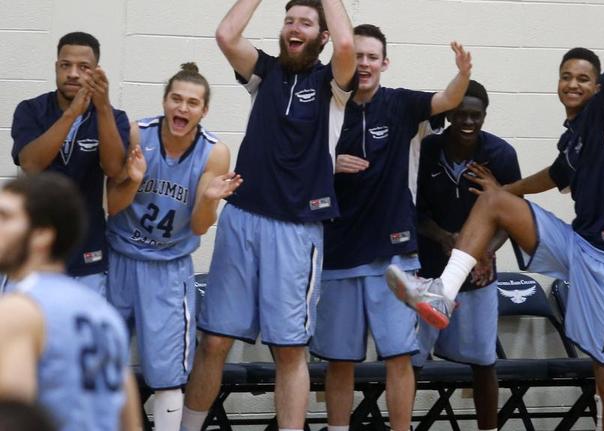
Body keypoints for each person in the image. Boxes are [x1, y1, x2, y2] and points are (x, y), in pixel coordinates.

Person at [386, 1, 604, 429]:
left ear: (597, 86)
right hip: (579, 244)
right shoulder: (573, 137)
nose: (573, 83)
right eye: (566, 76)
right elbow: (552, 176)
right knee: (492, 202)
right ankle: (443, 292)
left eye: (584, 78)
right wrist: (502, 191)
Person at [182, 1, 356, 430]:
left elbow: (349, 42)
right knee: (215, 341)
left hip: (296, 231)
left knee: (290, 349)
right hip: (242, 218)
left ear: (322, 36)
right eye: (289, 20)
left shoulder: (332, 84)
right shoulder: (266, 72)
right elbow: (226, 35)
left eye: (306, 23)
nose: (294, 27)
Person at [308, 23, 470, 431]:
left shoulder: (400, 104)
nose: (363, 63)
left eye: (371, 57)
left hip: (393, 252)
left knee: (399, 356)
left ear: (384, 63)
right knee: (340, 361)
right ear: (345, 60)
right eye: (356, 55)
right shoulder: (323, 108)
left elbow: (449, 98)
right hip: (338, 251)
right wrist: (330, 165)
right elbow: (293, 166)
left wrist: (463, 72)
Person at [106, 63, 240, 431]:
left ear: (204, 110)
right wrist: (133, 180)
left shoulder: (214, 153)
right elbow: (112, 206)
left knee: (167, 376)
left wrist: (210, 200)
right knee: (100, 364)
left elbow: (199, 224)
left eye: (192, 103)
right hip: (119, 259)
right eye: (176, 99)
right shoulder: (136, 133)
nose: (183, 108)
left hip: (168, 268)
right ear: (165, 101)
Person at [413, 80, 520, 431]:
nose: (468, 122)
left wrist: (485, 250)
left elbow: (514, 216)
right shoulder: (426, 150)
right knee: (409, 359)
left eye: (476, 115)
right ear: (450, 113)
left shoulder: (501, 155)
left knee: (484, 361)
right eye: (461, 114)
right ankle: (402, 423)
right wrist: (445, 238)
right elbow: (412, 210)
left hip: (477, 275)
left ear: (485, 116)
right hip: (427, 271)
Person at [0, 173, 141, 431]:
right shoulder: (103, 313)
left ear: (42, 235)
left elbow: (12, 417)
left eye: (5, 217)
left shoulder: (19, 309)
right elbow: (131, 423)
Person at [10, 31, 129, 294]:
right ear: (56, 67)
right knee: (24, 332)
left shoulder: (114, 118)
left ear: (96, 72)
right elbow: (30, 164)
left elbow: (114, 169)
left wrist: (103, 108)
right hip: (32, 247)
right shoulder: (31, 109)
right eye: (66, 65)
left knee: (78, 335)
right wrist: (72, 113)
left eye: (83, 67)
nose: (73, 73)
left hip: (87, 249)